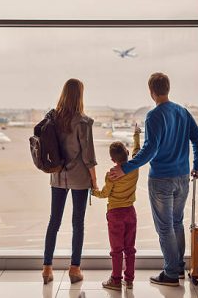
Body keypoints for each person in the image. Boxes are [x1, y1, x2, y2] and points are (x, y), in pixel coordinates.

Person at [110, 72, 198, 286]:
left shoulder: (154, 116)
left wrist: (126, 168)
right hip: (182, 178)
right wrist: (196, 166)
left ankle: (170, 273)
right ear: (168, 89)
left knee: (165, 228)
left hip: (161, 179)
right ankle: (178, 267)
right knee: (177, 222)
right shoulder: (182, 112)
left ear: (151, 92)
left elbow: (149, 150)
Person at [42, 78, 98, 285]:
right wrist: (94, 180)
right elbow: (88, 156)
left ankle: (47, 268)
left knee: (53, 221)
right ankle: (75, 269)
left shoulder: (53, 118)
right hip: (79, 177)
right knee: (78, 223)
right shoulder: (83, 122)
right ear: (80, 95)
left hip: (57, 175)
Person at [91, 125, 141, 291]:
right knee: (130, 249)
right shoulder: (135, 167)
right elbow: (138, 151)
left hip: (115, 214)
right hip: (130, 212)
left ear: (113, 160)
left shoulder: (111, 174)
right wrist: (136, 135)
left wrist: (94, 191)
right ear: (127, 153)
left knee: (116, 249)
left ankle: (116, 280)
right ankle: (130, 279)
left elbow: (105, 193)